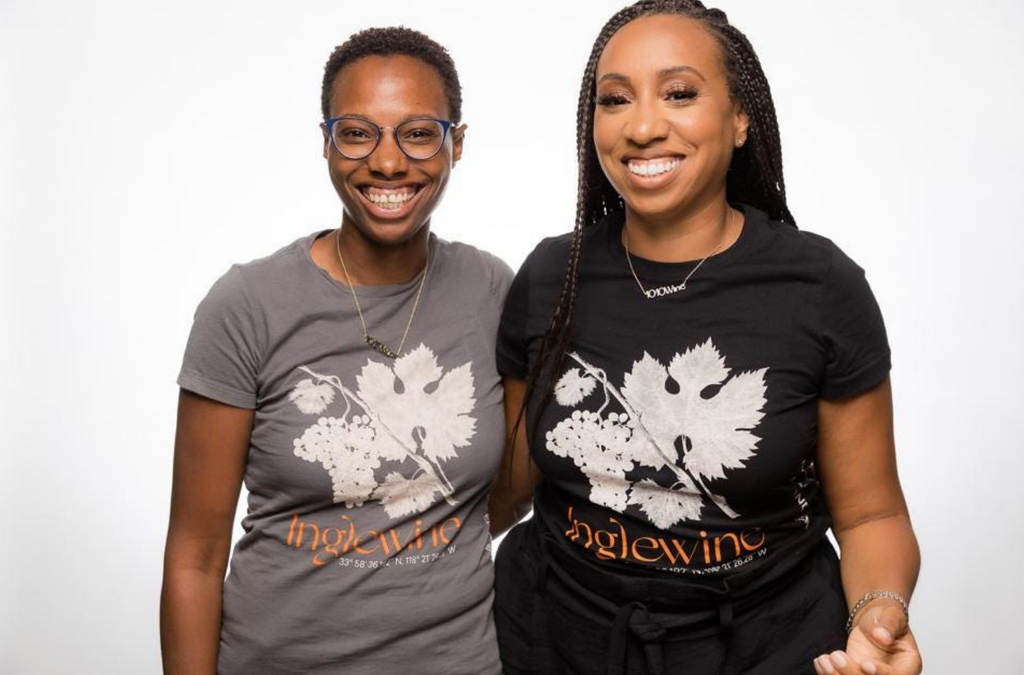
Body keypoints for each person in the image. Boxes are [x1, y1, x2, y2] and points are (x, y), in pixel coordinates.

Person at [489, 2, 922, 674]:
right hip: (554, 638)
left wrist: (878, 611)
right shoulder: (553, 275)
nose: (641, 125)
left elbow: (871, 515)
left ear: (740, 117)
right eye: (614, 99)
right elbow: (508, 487)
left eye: (680, 93)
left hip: (765, 645)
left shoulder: (818, 285)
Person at [161, 27, 511, 675]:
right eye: (356, 132)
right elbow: (195, 553)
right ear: (325, 142)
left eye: (418, 132)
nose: (386, 162)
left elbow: (510, 489)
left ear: (456, 143)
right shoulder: (247, 304)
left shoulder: (494, 292)